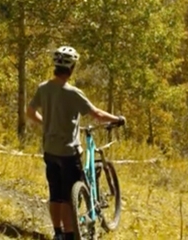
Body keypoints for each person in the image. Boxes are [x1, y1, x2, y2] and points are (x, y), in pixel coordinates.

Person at [26, 45, 125, 240]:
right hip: (68, 151)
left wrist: (47, 124)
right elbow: (96, 114)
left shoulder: (43, 88)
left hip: (49, 150)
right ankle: (71, 234)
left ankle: (57, 233)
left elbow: (29, 112)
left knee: (55, 193)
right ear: (71, 68)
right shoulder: (72, 92)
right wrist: (117, 119)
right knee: (68, 197)